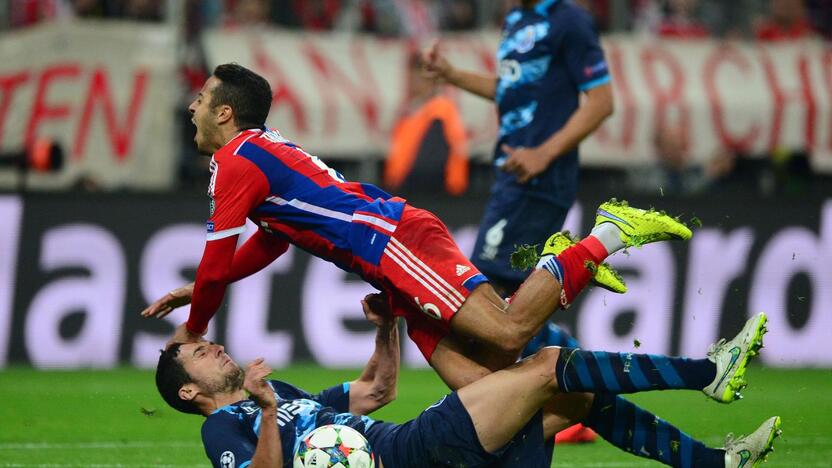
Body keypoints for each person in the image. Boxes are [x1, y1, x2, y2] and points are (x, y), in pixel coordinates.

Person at [141, 63, 713, 466]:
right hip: (390, 264)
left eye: (199, 99)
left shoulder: (236, 161)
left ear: (223, 112)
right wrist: (198, 289)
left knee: (513, 334)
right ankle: (711, 461)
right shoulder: (260, 151)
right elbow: (273, 241)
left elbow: (219, 262)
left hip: (394, 244)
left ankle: (598, 241)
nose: (189, 108)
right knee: (494, 382)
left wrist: (194, 324)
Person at [155, 294, 781, 468]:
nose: (211, 346)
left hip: (412, 446)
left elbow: (375, 393)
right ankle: (708, 371)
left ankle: (714, 464)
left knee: (577, 398)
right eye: (199, 356)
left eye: (207, 343)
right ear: (190, 391)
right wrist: (264, 409)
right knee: (545, 366)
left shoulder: (281, 393)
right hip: (411, 453)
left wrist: (390, 328)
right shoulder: (222, 430)